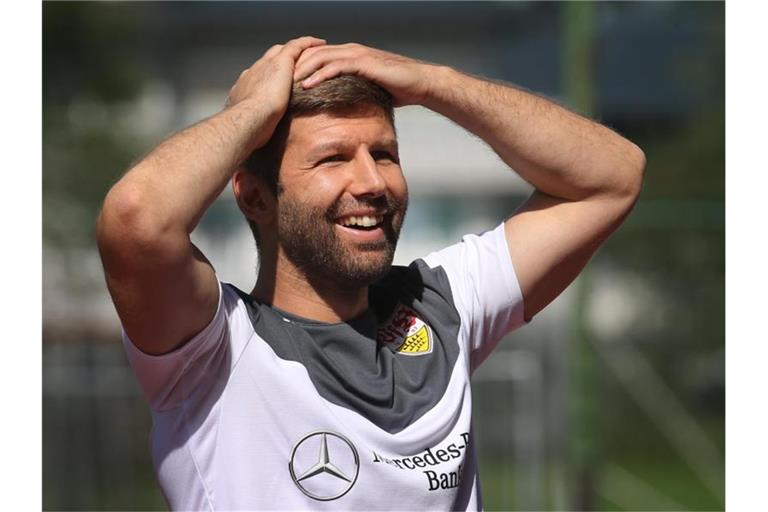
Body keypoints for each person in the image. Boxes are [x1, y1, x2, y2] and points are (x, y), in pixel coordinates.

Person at [97, 36, 644, 510]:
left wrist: (434, 83)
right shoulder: (213, 348)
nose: (373, 182)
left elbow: (614, 175)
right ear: (256, 197)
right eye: (333, 158)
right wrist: (252, 113)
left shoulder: (442, 305)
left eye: (383, 153)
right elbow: (136, 220)